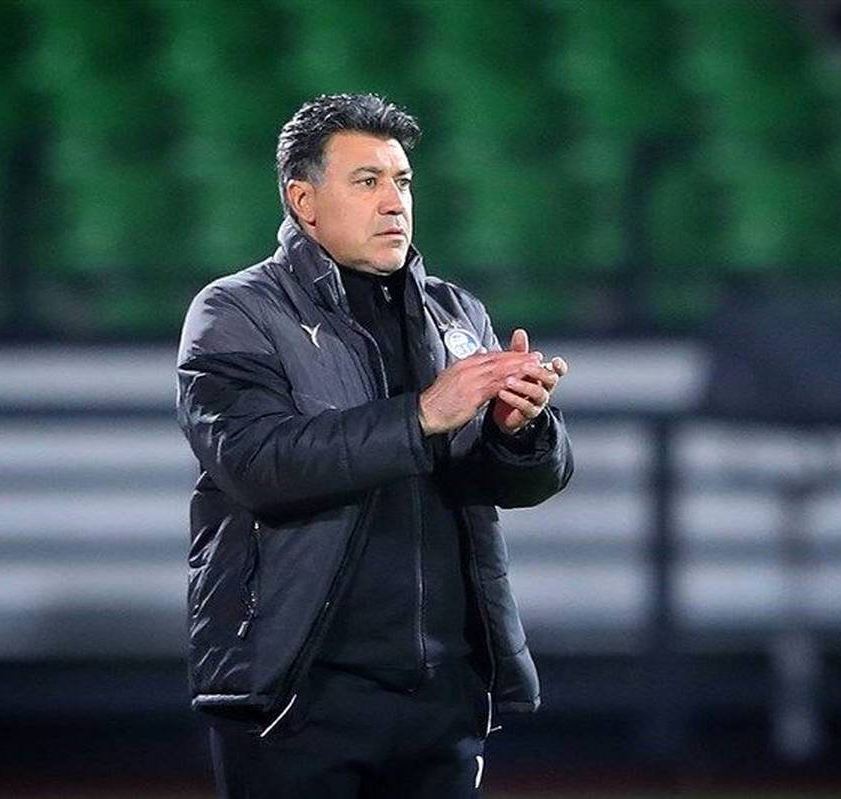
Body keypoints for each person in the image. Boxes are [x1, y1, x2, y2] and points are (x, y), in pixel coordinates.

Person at [175, 93, 574, 798]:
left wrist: (521, 432)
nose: (395, 202)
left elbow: (515, 484)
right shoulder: (236, 310)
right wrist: (422, 415)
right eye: (367, 181)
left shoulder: (455, 311)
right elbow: (256, 463)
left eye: (403, 181)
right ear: (304, 201)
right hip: (300, 694)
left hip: (443, 694)